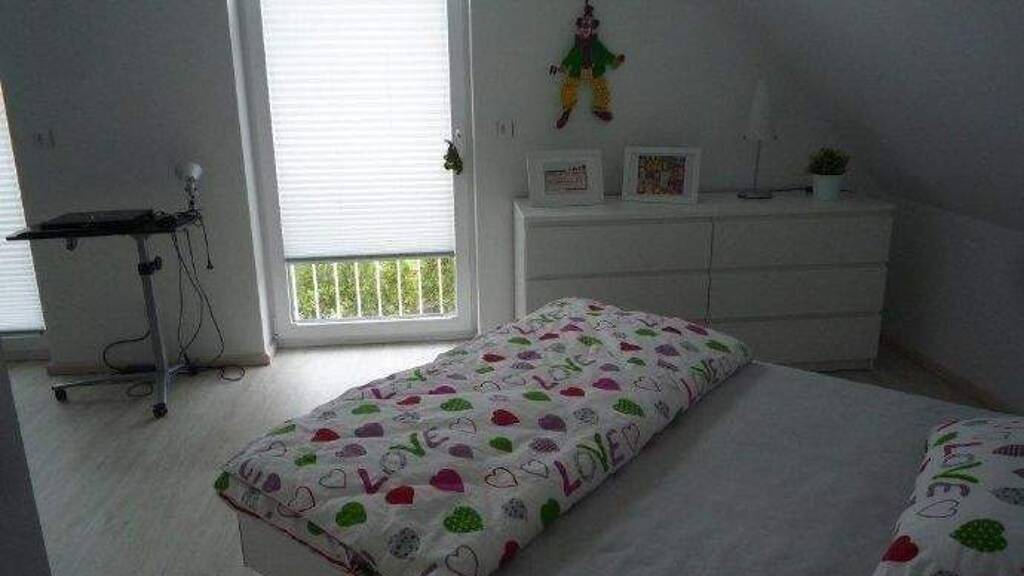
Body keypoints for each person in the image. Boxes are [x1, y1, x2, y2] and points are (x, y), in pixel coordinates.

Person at [549, 1, 625, 129]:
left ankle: (599, 108)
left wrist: (615, 60)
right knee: (568, 88)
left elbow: (605, 55)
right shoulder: (576, 47)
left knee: (602, 88)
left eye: (588, 27)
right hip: (577, 72)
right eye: (583, 27)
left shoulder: (597, 45)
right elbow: (569, 58)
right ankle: (567, 111)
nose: (585, 29)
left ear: (591, 29)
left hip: (594, 72)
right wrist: (561, 68)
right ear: (579, 29)